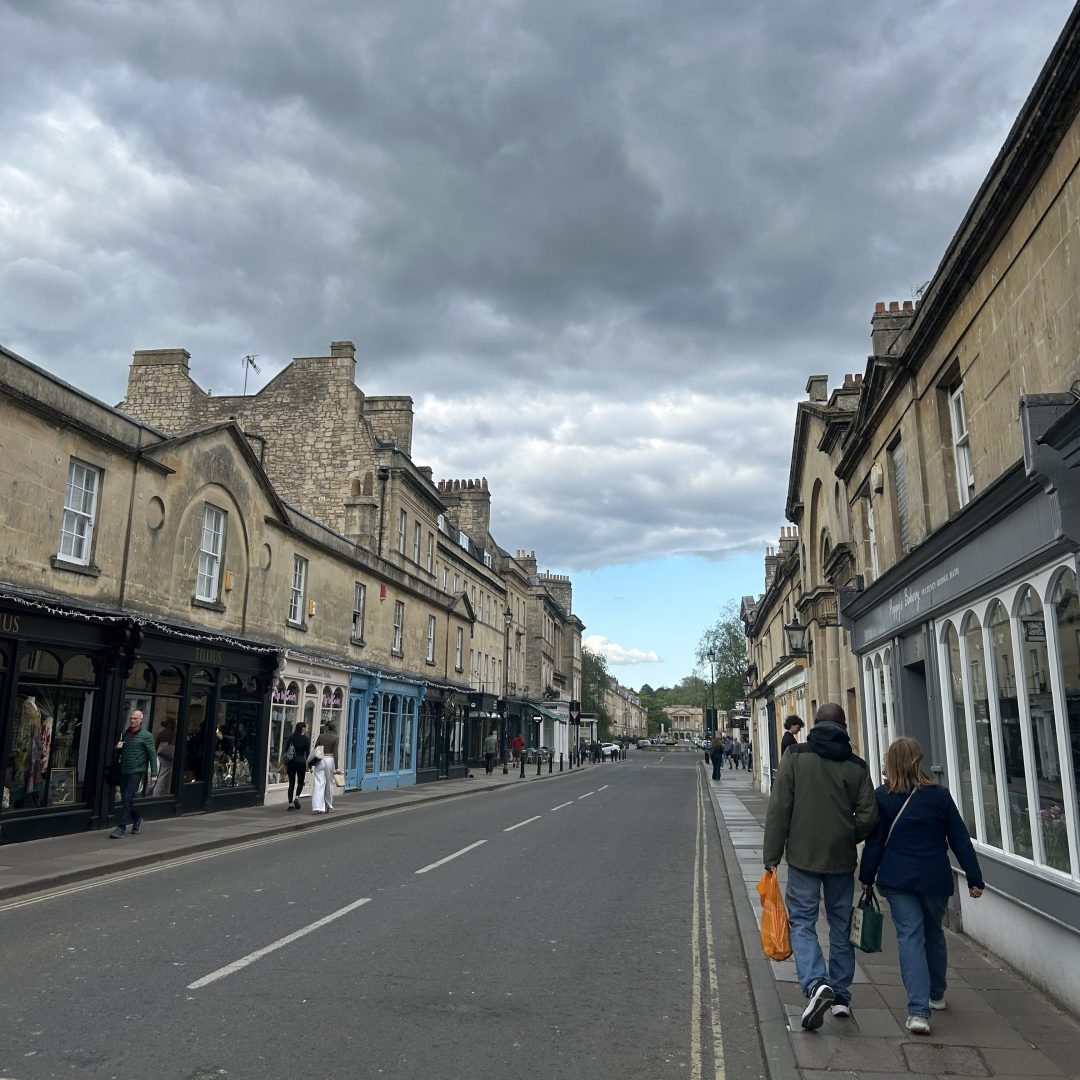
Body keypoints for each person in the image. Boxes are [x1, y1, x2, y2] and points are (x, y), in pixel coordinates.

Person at [763, 702, 878, 1029]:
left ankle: (816, 984)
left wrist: (771, 857)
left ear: (814, 724)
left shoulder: (796, 757)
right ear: (844, 727)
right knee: (842, 925)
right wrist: (846, 834)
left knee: (802, 921)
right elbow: (869, 815)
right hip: (841, 859)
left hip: (802, 856)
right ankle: (840, 996)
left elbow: (779, 809)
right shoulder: (856, 765)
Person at [858, 737, 984, 1036]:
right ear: (919, 759)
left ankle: (918, 1012)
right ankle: (936, 994)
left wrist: (866, 876)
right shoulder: (939, 795)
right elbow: (959, 838)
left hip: (898, 879)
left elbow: (874, 843)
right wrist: (974, 877)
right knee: (933, 932)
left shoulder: (883, 797)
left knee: (910, 937)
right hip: (934, 877)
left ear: (891, 762)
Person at [111, 710, 158, 838]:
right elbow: (121, 750)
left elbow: (152, 755)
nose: (132, 721)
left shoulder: (146, 736)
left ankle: (122, 827)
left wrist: (154, 774)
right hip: (124, 770)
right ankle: (137, 819)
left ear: (141, 720)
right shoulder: (126, 733)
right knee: (127, 800)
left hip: (136, 771)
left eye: (135, 718)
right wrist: (118, 747)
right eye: (131, 718)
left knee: (126, 798)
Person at [309, 720, 338, 814]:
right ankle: (329, 806)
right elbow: (336, 753)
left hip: (320, 760)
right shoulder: (335, 737)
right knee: (329, 783)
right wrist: (337, 767)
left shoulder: (321, 736)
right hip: (330, 759)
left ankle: (318, 807)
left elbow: (315, 749)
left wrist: (310, 763)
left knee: (318, 783)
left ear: (326, 727)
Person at [284, 721, 310, 810]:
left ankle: (290, 804)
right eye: (306, 727)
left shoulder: (292, 737)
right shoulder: (306, 739)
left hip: (291, 762)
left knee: (291, 783)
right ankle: (297, 798)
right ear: (303, 728)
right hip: (301, 763)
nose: (307, 729)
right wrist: (309, 765)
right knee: (300, 782)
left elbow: (286, 749)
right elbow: (308, 753)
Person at [151, 718, 177, 797]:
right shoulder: (172, 734)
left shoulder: (161, 733)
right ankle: (158, 794)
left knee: (160, 774)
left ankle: (155, 792)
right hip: (167, 756)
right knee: (163, 776)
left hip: (159, 754)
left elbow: (157, 743)